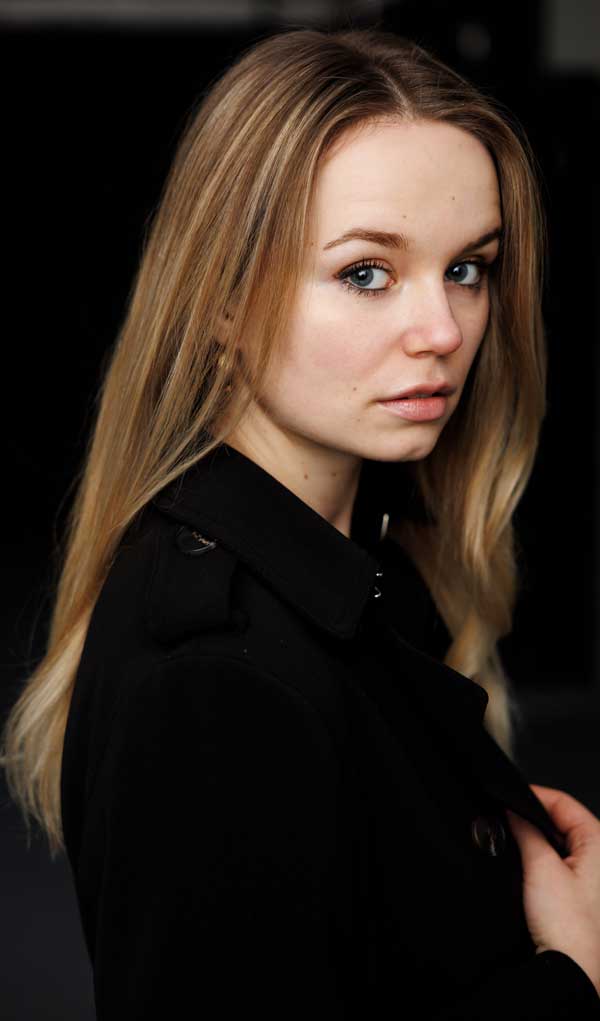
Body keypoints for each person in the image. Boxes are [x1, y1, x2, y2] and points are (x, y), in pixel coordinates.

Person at [2, 24, 600, 1020]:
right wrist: (573, 974)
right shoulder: (214, 676)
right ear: (223, 301)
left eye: (469, 267)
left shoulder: (365, 555)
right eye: (367, 273)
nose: (444, 331)